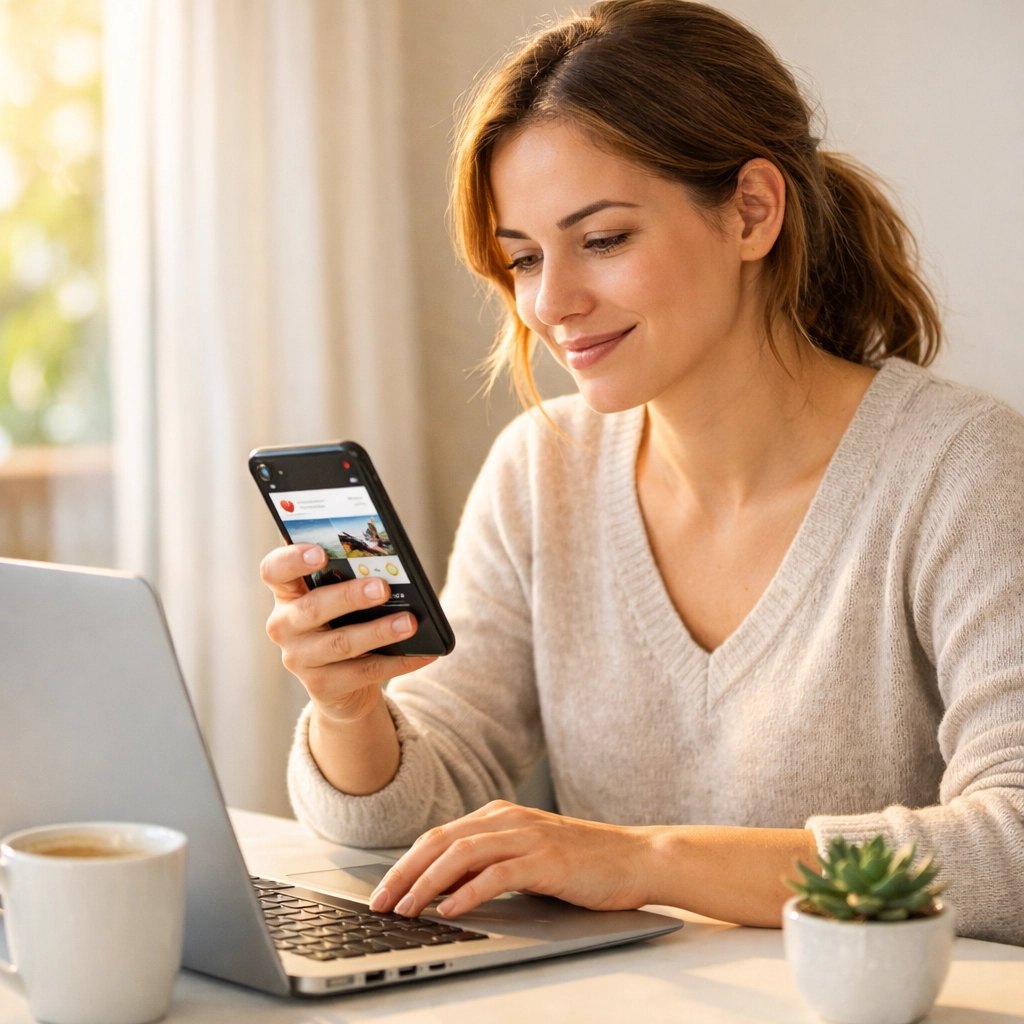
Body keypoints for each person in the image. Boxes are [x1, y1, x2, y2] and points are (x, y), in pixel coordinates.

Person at [260, 0, 1024, 945]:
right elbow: (398, 821)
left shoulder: (961, 469)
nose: (553, 302)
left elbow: (1015, 849)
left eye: (605, 239)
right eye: (525, 258)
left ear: (752, 211)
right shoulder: (542, 471)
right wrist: (349, 707)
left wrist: (643, 861)